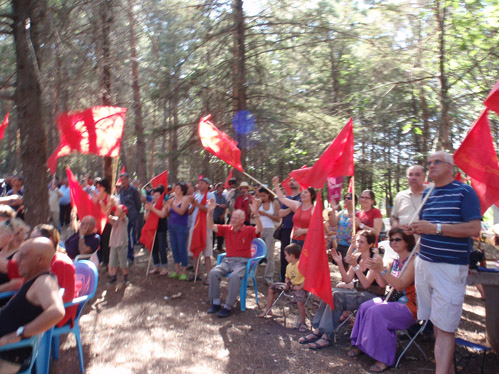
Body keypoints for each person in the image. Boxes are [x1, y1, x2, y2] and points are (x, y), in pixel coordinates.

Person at [405, 151, 481, 374]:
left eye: (436, 162)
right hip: (425, 264)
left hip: (449, 268)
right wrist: (416, 229)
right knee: (438, 324)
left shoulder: (464, 192)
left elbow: (474, 229)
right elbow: (427, 228)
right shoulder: (428, 194)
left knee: (446, 328)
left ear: (450, 166)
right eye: (429, 163)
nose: (431, 166)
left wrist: (435, 228)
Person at [299, 230, 386, 350]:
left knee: (337, 296)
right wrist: (340, 262)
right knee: (330, 292)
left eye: (362, 242)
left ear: (371, 244)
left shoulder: (374, 259)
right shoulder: (357, 256)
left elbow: (366, 284)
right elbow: (347, 279)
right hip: (358, 292)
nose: (358, 244)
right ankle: (319, 329)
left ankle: (326, 336)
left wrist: (355, 266)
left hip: (372, 295)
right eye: (357, 242)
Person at [348, 228, 417, 372]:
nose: (393, 242)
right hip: (392, 300)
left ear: (408, 241)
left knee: (376, 312)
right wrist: (377, 269)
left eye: (398, 239)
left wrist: (382, 270)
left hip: (410, 306)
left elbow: (399, 285)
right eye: (391, 240)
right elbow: (384, 284)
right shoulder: (395, 262)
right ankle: (361, 344)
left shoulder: (413, 261)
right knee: (365, 307)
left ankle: (383, 358)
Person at [0, 238, 65, 373]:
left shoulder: (44, 281)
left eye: (22, 256)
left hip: (6, 357)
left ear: (40, 260)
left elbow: (57, 311)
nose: (16, 260)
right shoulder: (35, 279)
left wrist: (18, 334)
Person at [206, 199, 262, 318]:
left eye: (236, 218)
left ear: (242, 220)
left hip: (242, 262)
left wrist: (256, 213)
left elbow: (259, 229)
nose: (233, 219)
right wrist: (209, 212)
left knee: (234, 277)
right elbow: (210, 225)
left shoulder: (248, 230)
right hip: (228, 261)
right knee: (213, 273)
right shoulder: (227, 229)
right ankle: (216, 303)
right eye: (232, 217)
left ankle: (228, 306)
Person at [29, 224, 77, 328]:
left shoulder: (61, 263)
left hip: (59, 312)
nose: (31, 243)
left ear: (50, 240)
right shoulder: (41, 259)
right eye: (30, 239)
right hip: (40, 306)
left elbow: (66, 297)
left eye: (35, 239)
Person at [258, 243, 307, 330]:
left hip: (301, 287)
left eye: (286, 255)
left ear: (292, 255)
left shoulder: (301, 265)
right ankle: (268, 310)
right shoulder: (288, 266)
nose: (285, 257)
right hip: (291, 286)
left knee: (300, 302)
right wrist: (287, 283)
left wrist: (300, 287)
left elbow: (308, 278)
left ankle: (303, 322)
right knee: (271, 288)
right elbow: (287, 277)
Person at [272, 176, 315, 249]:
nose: (303, 194)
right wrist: (276, 184)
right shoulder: (297, 205)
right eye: (303, 192)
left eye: (306, 192)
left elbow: (317, 228)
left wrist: (304, 231)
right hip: (294, 240)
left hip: (306, 241)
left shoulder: (314, 210)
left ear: (312, 196)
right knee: (293, 260)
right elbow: (282, 198)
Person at [188, 177, 215, 282]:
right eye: (199, 183)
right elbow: (190, 211)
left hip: (206, 227)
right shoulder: (196, 195)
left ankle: (209, 276)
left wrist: (196, 204)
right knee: (195, 251)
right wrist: (193, 205)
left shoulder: (210, 195)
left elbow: (209, 210)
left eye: (202, 183)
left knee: (207, 253)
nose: (200, 185)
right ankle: (197, 273)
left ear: (207, 185)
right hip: (194, 226)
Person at [277, 178, 301, 282]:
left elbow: (300, 210)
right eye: (290, 180)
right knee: (285, 255)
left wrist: (291, 206)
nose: (291, 182)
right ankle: (284, 279)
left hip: (298, 230)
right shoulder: (286, 198)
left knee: (298, 256)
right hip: (286, 229)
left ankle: (298, 281)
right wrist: (291, 207)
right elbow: (280, 213)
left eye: (294, 180)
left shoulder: (303, 197)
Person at [166, 182, 191, 280]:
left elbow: (182, 211)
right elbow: (168, 211)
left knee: (182, 247)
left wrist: (172, 205)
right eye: (175, 188)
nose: (175, 190)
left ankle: (184, 270)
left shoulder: (185, 199)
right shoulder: (172, 199)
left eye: (177, 188)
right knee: (174, 247)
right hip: (172, 225)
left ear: (182, 190)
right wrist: (167, 205)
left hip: (181, 225)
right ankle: (176, 270)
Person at [256, 186, 281, 284]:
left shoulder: (274, 203)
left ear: (269, 194)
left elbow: (278, 219)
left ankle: (268, 277)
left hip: (270, 229)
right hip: (259, 229)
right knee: (256, 253)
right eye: (260, 196)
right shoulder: (259, 203)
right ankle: (252, 276)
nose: (262, 197)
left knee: (269, 255)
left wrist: (266, 214)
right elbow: (253, 215)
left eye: (264, 195)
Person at [145, 187, 169, 276]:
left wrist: (152, 209)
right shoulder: (152, 204)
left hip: (161, 228)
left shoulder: (164, 204)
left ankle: (164, 267)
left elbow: (162, 215)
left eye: (157, 195)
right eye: (154, 195)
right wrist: (149, 210)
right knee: (153, 248)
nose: (155, 197)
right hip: (152, 229)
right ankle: (156, 266)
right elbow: (146, 218)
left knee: (162, 248)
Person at [119, 172, 142, 264]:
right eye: (122, 180)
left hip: (131, 217)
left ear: (128, 179)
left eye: (124, 179)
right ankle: (124, 255)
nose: (123, 181)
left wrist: (134, 214)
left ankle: (130, 256)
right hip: (122, 217)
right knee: (124, 237)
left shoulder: (133, 190)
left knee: (130, 236)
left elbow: (138, 204)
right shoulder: (121, 190)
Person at [330, 193, 357, 269]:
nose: (346, 199)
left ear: (354, 201)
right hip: (340, 245)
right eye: (345, 198)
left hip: (351, 246)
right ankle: (345, 280)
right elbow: (332, 224)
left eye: (348, 198)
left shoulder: (357, 213)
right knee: (342, 267)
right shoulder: (341, 213)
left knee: (350, 268)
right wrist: (333, 209)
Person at [93, 178, 114, 267]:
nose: (98, 189)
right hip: (97, 223)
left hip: (107, 223)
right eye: (97, 187)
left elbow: (106, 213)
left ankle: (106, 261)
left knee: (106, 242)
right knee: (98, 241)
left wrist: (101, 203)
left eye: (99, 187)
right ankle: (99, 259)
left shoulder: (109, 198)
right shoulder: (97, 196)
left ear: (104, 188)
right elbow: (92, 207)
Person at [107, 204, 130, 284]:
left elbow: (121, 213)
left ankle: (126, 277)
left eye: (117, 210)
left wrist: (114, 202)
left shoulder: (124, 219)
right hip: (113, 244)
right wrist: (105, 205)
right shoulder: (115, 219)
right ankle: (113, 276)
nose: (115, 211)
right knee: (113, 261)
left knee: (123, 262)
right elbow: (107, 216)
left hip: (122, 244)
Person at [212, 183, 227, 252]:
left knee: (221, 232)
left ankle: (219, 246)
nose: (223, 189)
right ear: (217, 188)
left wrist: (223, 215)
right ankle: (211, 247)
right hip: (213, 216)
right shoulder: (212, 195)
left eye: (223, 188)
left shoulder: (223, 197)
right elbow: (210, 203)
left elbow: (226, 206)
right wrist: (218, 205)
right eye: (222, 188)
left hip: (221, 216)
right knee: (213, 233)